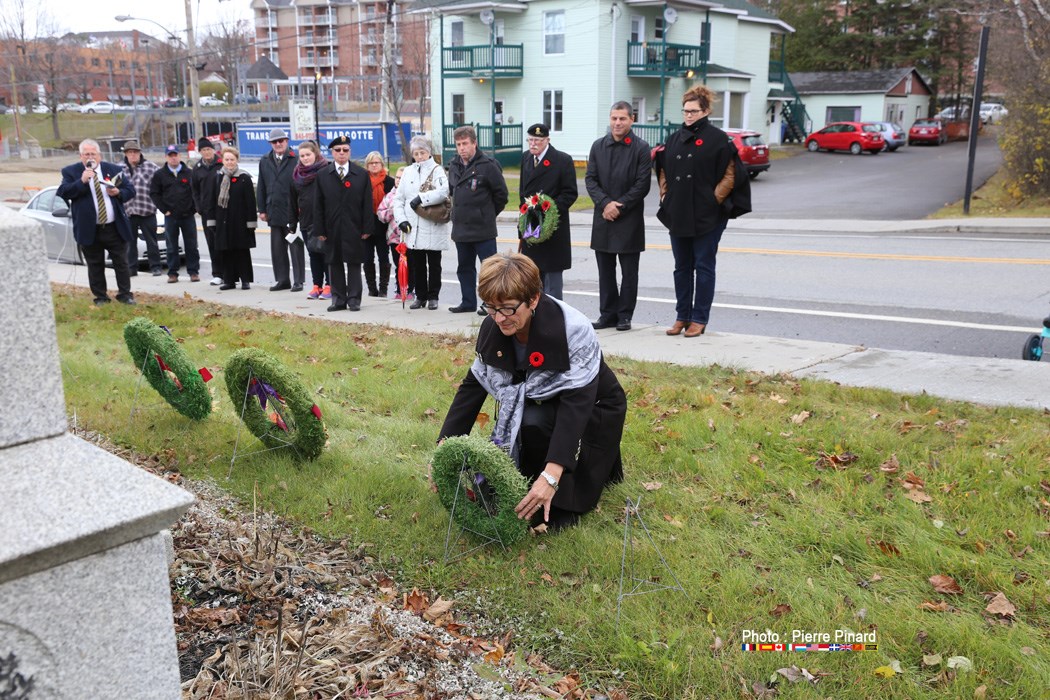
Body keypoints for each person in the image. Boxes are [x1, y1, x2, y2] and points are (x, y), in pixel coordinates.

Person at [439, 253, 626, 530]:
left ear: (534, 299)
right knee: (530, 421)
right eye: (490, 307)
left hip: (593, 407)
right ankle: (528, 481)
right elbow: (472, 385)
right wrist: (444, 447)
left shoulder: (573, 330)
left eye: (508, 309)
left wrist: (551, 476)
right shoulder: (494, 324)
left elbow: (576, 406)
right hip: (542, 402)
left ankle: (563, 502)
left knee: (534, 423)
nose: (499, 318)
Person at [656, 85, 751, 338]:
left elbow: (730, 174)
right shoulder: (674, 138)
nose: (688, 115)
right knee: (681, 267)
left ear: (706, 111)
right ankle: (682, 316)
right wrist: (665, 195)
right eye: (685, 111)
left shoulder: (718, 139)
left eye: (694, 111)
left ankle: (699, 318)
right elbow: (663, 168)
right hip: (678, 212)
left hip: (708, 214)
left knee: (704, 266)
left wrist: (713, 200)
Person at [585, 102, 652, 332]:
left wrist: (619, 207)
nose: (617, 123)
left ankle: (625, 315)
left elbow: (642, 185)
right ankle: (607, 314)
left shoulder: (641, 148)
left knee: (629, 272)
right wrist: (605, 204)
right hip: (603, 218)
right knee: (605, 271)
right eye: (614, 118)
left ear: (631, 119)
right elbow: (590, 180)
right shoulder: (598, 146)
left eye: (622, 118)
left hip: (629, 219)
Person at [57, 138, 137, 305]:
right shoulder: (71, 172)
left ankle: (125, 295)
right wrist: (82, 181)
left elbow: (130, 190)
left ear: (99, 156)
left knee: (121, 262)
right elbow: (64, 192)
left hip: (114, 227)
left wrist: (118, 193)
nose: (90, 157)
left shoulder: (113, 169)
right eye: (86, 154)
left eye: (93, 154)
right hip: (89, 228)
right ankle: (101, 297)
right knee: (95, 265)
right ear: (81, 156)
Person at [448, 125, 508, 315]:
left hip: (483, 229)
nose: (461, 148)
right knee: (464, 268)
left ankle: (490, 303)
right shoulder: (454, 165)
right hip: (461, 228)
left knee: (490, 270)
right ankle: (467, 302)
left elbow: (501, 196)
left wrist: (487, 214)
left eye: (465, 143)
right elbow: (452, 193)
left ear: (474, 143)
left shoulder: (488, 165)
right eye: (458, 144)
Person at [313, 135, 374, 312]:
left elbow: (367, 203)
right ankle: (338, 299)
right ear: (332, 152)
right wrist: (320, 228)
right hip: (331, 227)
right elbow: (318, 204)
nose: (341, 153)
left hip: (354, 226)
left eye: (345, 150)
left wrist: (367, 227)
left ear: (350, 152)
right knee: (334, 262)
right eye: (337, 150)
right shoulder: (323, 174)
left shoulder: (360, 174)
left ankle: (354, 299)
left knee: (354, 263)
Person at [518, 123, 577, 300]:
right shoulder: (526, 158)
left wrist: (547, 209)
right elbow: (523, 195)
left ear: (547, 140)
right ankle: (536, 319)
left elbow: (570, 193)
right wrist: (522, 229)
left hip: (553, 230)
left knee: (552, 284)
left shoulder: (562, 160)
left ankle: (554, 319)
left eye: (537, 140)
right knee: (533, 281)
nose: (533, 144)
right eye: (530, 140)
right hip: (531, 229)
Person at [393, 135, 451, 310]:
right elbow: (399, 199)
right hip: (413, 227)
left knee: (434, 264)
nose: (419, 156)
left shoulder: (437, 170)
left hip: (432, 223)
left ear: (429, 152)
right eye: (416, 153)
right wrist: (401, 220)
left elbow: (443, 192)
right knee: (417, 265)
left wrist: (421, 198)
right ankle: (420, 296)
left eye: (422, 152)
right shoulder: (408, 172)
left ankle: (433, 296)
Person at [256, 128, 303, 292]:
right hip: (273, 209)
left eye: (281, 140)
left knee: (295, 246)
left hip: (292, 211)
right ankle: (282, 280)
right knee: (277, 249)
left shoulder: (296, 159)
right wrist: (261, 209)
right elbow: (261, 185)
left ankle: (298, 281)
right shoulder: (265, 160)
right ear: (271, 143)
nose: (278, 144)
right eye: (274, 141)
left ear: (287, 141)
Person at [149, 143, 200, 283]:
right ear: (166, 157)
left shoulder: (189, 173)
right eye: (170, 156)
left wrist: (193, 209)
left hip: (187, 216)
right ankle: (173, 273)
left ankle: (193, 272)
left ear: (179, 156)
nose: (173, 158)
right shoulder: (160, 175)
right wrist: (164, 210)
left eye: (175, 155)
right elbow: (154, 194)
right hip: (171, 217)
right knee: (171, 246)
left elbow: (196, 192)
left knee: (191, 245)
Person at [289, 140, 331, 300]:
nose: (305, 158)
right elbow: (292, 201)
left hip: (324, 220)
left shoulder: (326, 170)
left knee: (326, 254)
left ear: (316, 154)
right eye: (302, 156)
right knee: (313, 253)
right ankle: (317, 285)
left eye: (308, 155)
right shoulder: (296, 174)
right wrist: (292, 223)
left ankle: (329, 285)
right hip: (306, 220)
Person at [212, 146, 258, 290]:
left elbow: (251, 202)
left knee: (241, 251)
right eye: (227, 159)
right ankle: (229, 280)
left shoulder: (244, 178)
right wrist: (212, 221)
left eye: (232, 159)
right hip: (223, 221)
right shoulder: (218, 177)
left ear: (237, 160)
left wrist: (251, 223)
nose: (229, 162)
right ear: (222, 160)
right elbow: (212, 200)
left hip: (240, 221)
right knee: (226, 251)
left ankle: (245, 280)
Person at [119, 139, 163, 277]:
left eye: (135, 152)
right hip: (128, 212)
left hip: (147, 210)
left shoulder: (151, 167)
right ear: (125, 154)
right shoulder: (119, 169)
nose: (133, 155)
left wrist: (158, 202)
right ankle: (132, 268)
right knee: (130, 243)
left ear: (139, 153)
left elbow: (160, 185)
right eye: (130, 152)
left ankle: (155, 267)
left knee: (151, 241)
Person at [191, 138, 224, 285]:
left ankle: (230, 272)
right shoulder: (197, 169)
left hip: (223, 210)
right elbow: (195, 191)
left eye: (209, 149)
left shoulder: (222, 164)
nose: (207, 152)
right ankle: (217, 273)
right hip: (207, 212)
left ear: (213, 150)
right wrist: (199, 207)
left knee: (226, 241)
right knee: (212, 243)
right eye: (204, 150)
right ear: (200, 152)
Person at [363, 151, 394, 297]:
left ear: (382, 164)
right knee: (367, 258)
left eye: (377, 162)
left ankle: (383, 289)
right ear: (367, 165)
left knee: (383, 257)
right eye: (371, 163)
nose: (374, 165)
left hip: (383, 224)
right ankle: (371, 289)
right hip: (366, 224)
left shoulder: (389, 181)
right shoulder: (363, 181)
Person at [377, 166, 410, 298]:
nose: (398, 180)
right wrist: (392, 210)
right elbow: (381, 213)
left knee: (411, 265)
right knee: (398, 265)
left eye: (402, 178)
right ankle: (399, 289)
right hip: (394, 237)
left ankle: (411, 289)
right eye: (397, 177)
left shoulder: (410, 195)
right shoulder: (389, 196)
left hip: (409, 238)